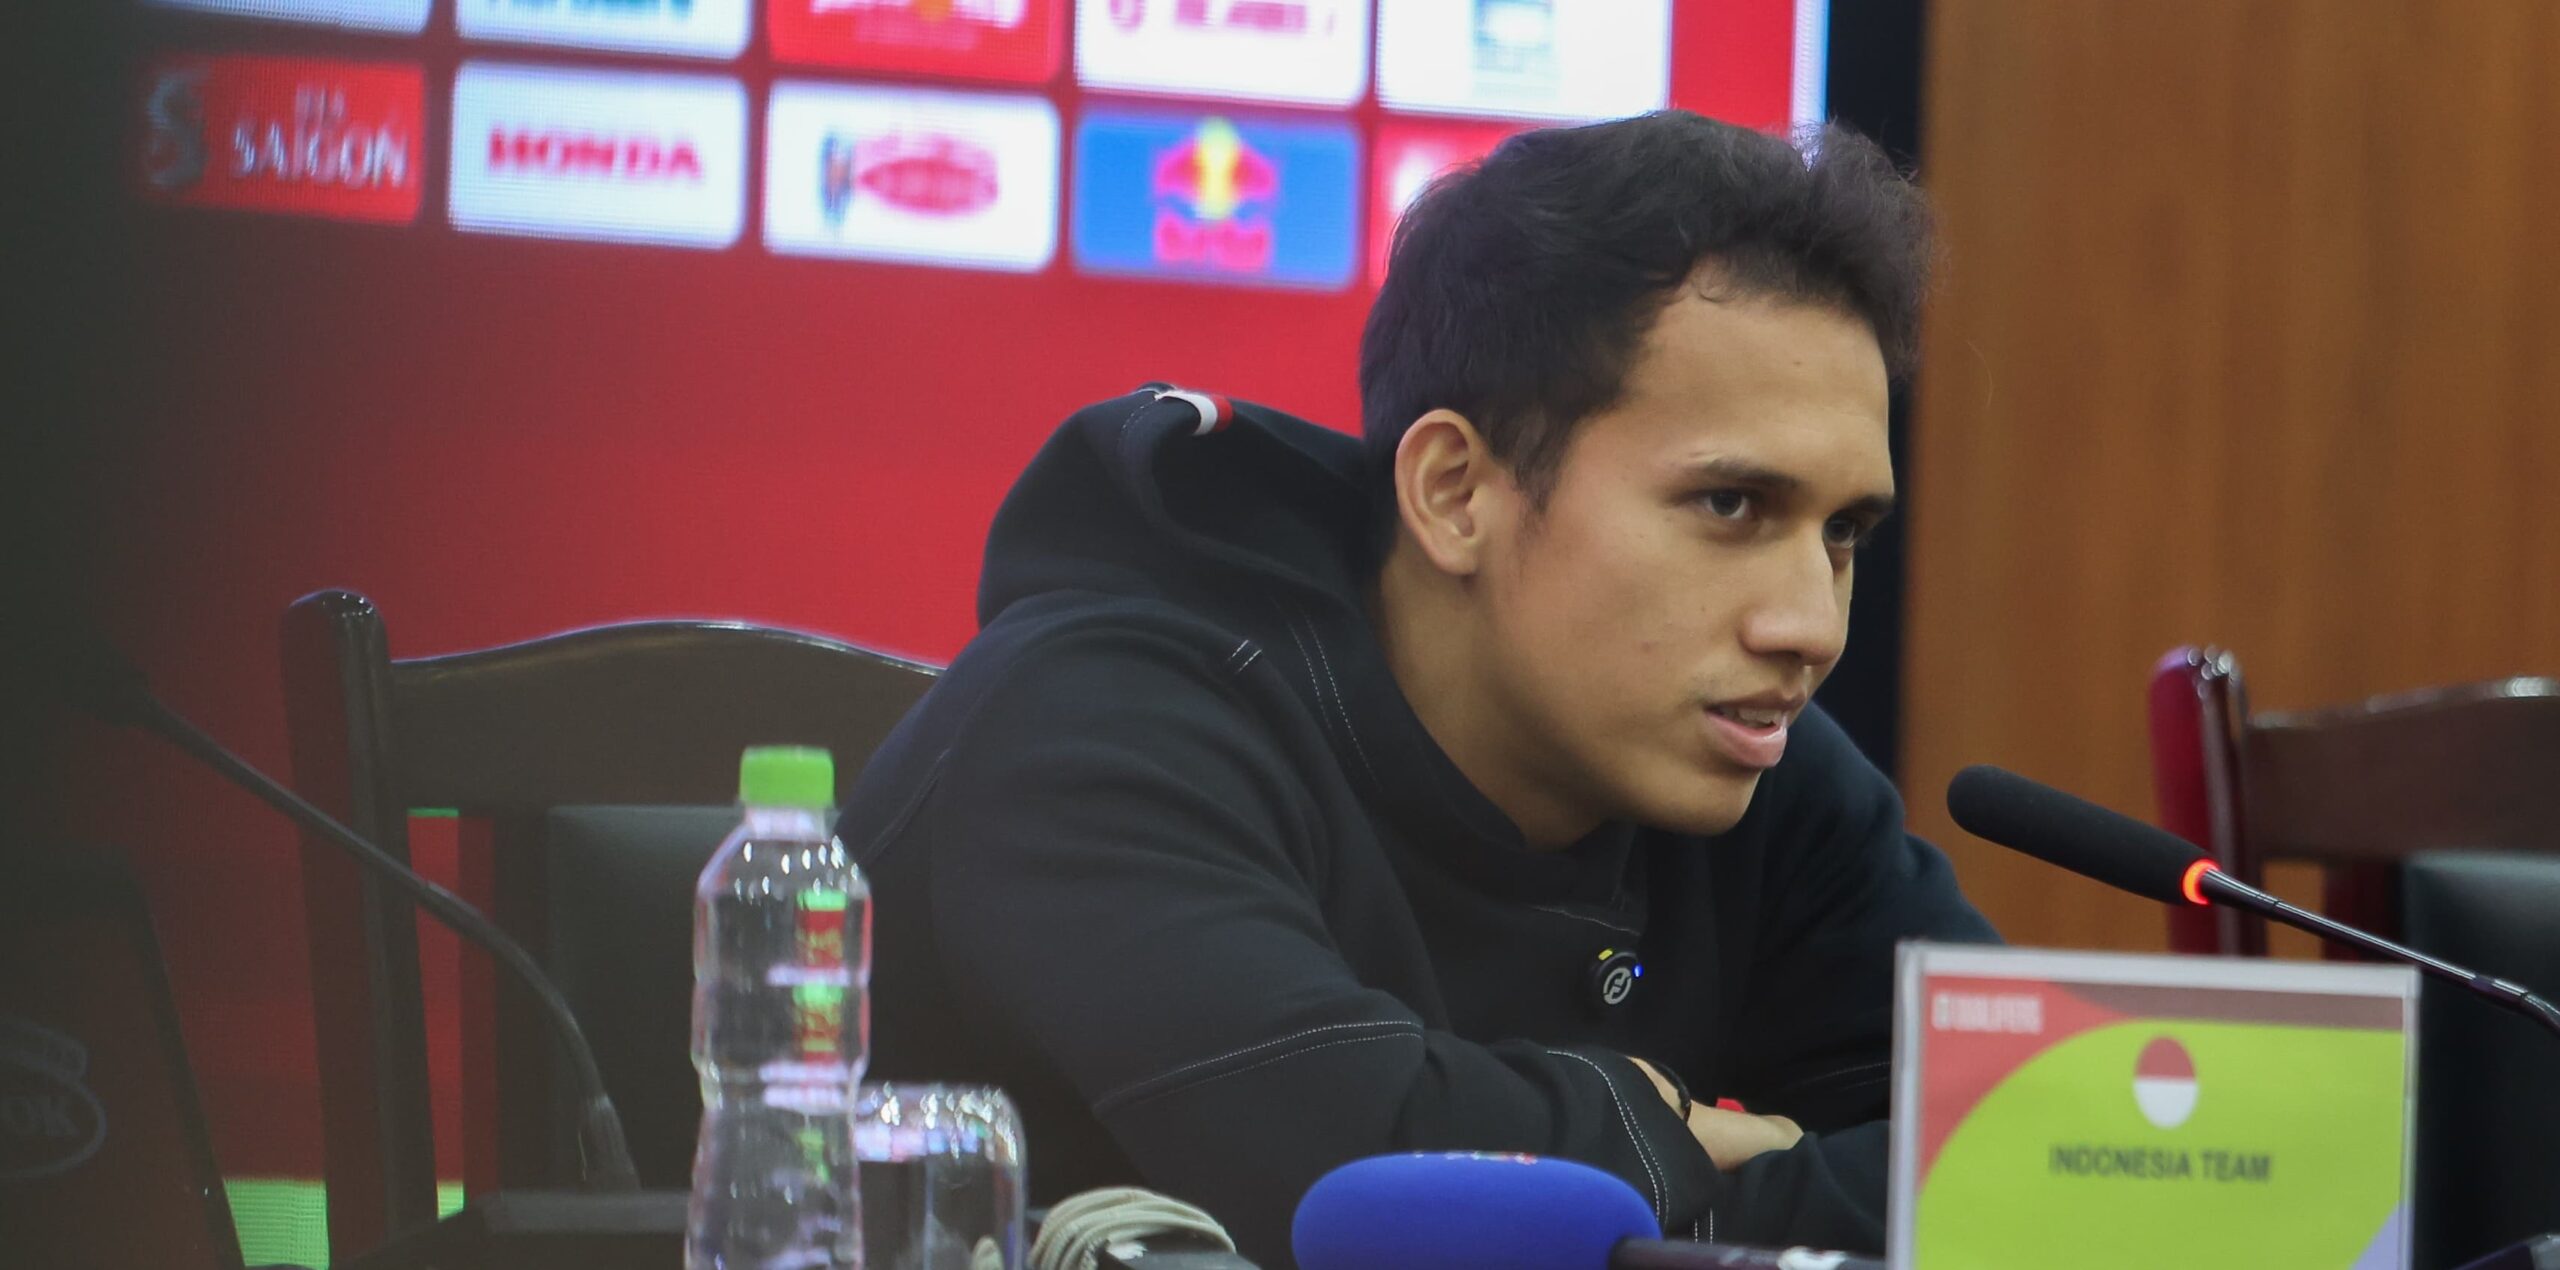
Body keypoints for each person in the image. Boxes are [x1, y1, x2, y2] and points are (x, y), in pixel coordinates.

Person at [848, 110, 1995, 1265]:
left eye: (1842, 532)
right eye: (1730, 505)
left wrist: (1656, 1175)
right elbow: (1361, 1194)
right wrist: (1676, 1144)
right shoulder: (1097, 720)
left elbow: (2041, 1142)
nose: (1808, 626)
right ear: (1454, 493)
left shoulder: (1757, 763)